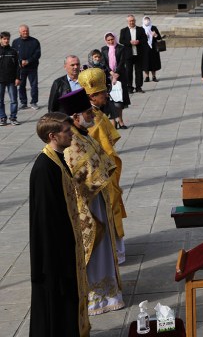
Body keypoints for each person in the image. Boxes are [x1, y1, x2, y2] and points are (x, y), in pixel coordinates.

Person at [59, 88, 125, 315]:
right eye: (88, 113)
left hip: (100, 201)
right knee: (95, 252)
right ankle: (97, 298)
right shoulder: (72, 143)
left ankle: (109, 292)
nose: (92, 116)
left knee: (106, 248)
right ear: (75, 117)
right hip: (89, 206)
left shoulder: (83, 135)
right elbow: (80, 176)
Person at [29, 112, 90, 337]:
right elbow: (45, 218)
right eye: (66, 131)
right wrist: (57, 254)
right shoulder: (45, 168)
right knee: (57, 298)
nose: (71, 134)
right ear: (53, 136)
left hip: (66, 241)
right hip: (55, 250)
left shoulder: (58, 158)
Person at [78, 68, 128, 265]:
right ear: (92, 96)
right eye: (102, 93)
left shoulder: (95, 114)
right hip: (100, 177)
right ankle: (113, 251)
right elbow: (107, 149)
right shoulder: (94, 119)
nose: (106, 95)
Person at [102, 33, 131, 129]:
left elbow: (122, 61)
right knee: (110, 100)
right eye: (108, 40)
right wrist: (111, 73)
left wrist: (116, 73)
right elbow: (104, 63)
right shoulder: (104, 49)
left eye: (112, 39)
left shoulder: (121, 48)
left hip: (120, 75)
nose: (111, 41)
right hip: (108, 76)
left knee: (119, 100)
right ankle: (113, 122)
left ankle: (120, 121)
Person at [12, 24, 41, 110]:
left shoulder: (35, 41)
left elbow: (37, 54)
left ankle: (34, 102)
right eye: (24, 31)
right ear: (20, 32)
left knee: (34, 85)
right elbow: (14, 54)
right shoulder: (15, 42)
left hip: (32, 67)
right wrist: (20, 61)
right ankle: (23, 102)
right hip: (21, 68)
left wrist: (28, 61)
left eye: (27, 31)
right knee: (21, 86)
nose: (26, 32)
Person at [118, 14, 148, 94]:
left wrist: (139, 41)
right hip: (128, 55)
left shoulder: (140, 29)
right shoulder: (123, 30)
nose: (132, 22)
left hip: (138, 54)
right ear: (127, 22)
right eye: (130, 21)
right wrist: (129, 42)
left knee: (138, 71)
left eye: (133, 20)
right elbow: (121, 40)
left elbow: (145, 39)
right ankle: (129, 87)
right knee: (128, 71)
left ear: (135, 21)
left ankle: (138, 87)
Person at [0, 31, 20, 126]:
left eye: (8, 39)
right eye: (4, 39)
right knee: (0, 100)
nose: (6, 40)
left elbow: (17, 66)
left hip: (12, 80)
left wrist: (17, 78)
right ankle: (2, 118)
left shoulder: (13, 51)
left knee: (14, 100)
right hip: (0, 80)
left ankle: (13, 117)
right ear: (0, 39)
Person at [141, 15, 162, 83]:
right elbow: (139, 39)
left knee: (154, 62)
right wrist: (145, 36)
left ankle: (154, 76)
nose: (146, 21)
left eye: (148, 19)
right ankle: (147, 76)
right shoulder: (141, 28)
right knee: (145, 62)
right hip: (144, 48)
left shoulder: (153, 27)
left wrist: (155, 35)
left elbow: (159, 38)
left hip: (153, 48)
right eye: (145, 20)